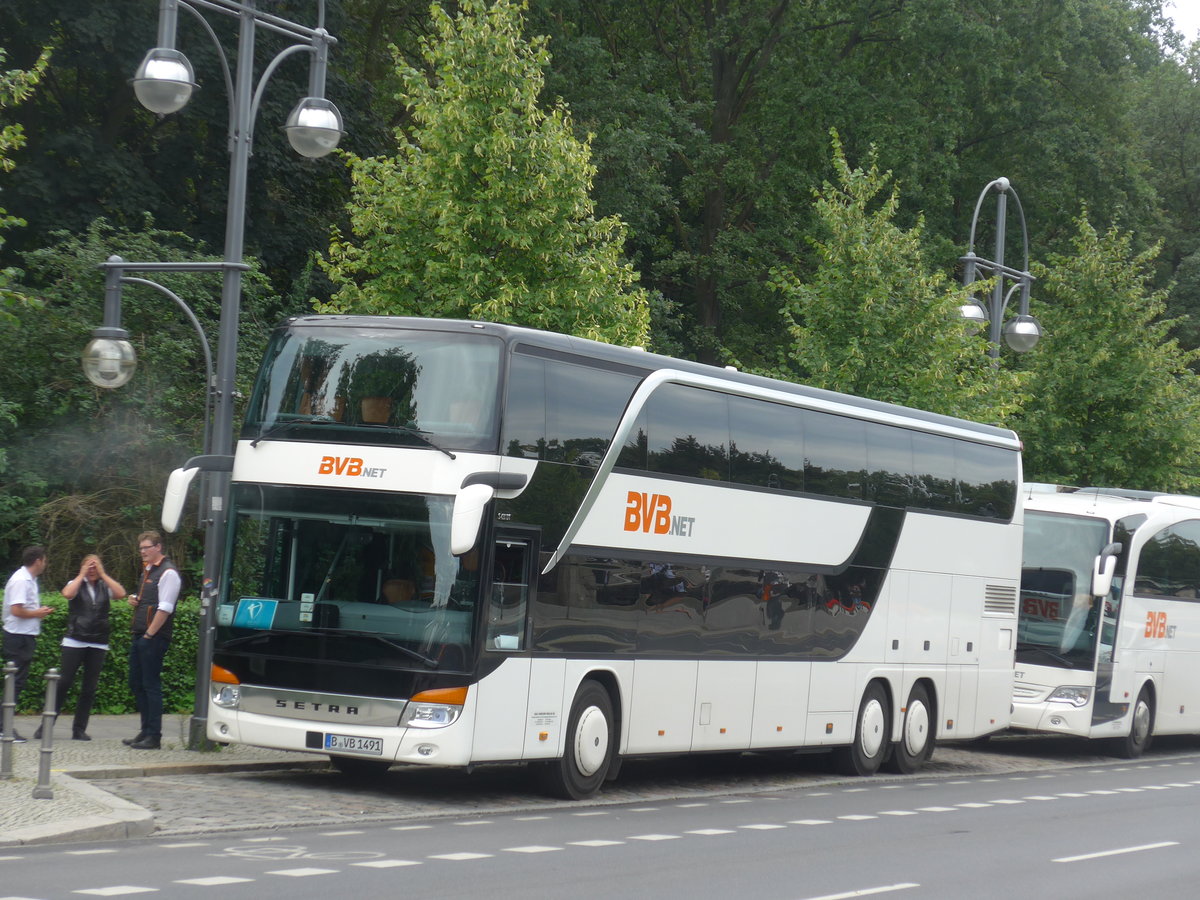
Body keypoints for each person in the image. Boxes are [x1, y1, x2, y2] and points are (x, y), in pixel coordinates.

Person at [34, 554, 127, 742]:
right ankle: (45, 726)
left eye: (96, 566)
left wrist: (103, 574)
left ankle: (79, 729)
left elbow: (120, 593)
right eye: (88, 566)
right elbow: (67, 594)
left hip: (98, 641)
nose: (92, 569)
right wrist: (81, 575)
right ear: (82, 567)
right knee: (63, 683)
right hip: (75, 639)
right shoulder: (75, 583)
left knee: (89, 688)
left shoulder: (104, 586)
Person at [123, 532, 180, 750]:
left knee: (151, 685)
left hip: (153, 636)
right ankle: (145, 730)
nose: (143, 552)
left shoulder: (168, 573)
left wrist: (149, 635)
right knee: (136, 683)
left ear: (158, 547)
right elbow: (150, 602)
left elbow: (165, 607)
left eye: (147, 547)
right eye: (141, 548)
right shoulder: (149, 571)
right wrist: (135, 601)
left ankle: (154, 736)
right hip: (140, 633)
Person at [2, 546, 53, 743]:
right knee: (13, 683)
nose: (45, 564)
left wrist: (38, 612)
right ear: (38, 560)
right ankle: (4, 727)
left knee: (16, 682)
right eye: (45, 560)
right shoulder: (21, 580)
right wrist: (37, 613)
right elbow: (16, 610)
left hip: (24, 636)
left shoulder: (30, 580)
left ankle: (4, 725)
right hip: (17, 637)